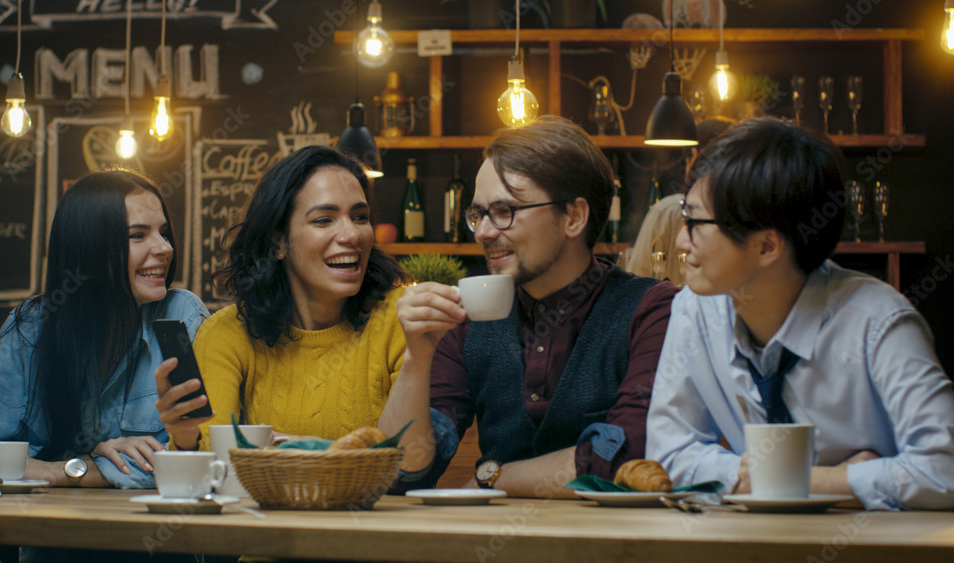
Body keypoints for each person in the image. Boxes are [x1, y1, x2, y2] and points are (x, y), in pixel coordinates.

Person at [646, 118, 954, 510]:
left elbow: (945, 470)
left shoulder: (878, 324)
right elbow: (669, 456)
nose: (679, 240)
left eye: (695, 222)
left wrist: (804, 481)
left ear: (766, 247)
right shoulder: (694, 310)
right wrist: (840, 483)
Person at [387, 116, 679, 497]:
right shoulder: (471, 320)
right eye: (478, 214)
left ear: (573, 217)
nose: (485, 232)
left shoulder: (652, 309)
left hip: (616, 552)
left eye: (505, 210)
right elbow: (403, 473)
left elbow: (626, 458)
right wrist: (416, 358)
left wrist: (492, 478)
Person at [0, 169, 208, 489]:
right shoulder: (31, 326)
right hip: (42, 531)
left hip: (145, 528)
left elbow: (196, 458)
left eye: (164, 232)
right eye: (138, 235)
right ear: (90, 248)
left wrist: (77, 470)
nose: (164, 248)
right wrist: (73, 466)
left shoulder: (181, 315)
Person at [155, 145, 411, 452]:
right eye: (324, 220)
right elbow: (214, 464)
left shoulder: (400, 318)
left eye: (360, 216)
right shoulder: (226, 335)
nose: (353, 235)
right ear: (279, 242)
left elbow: (411, 459)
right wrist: (185, 439)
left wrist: (314, 452)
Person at [627, 117, 735, 282]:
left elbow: (635, 286)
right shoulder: (746, 212)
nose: (683, 242)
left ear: (693, 156)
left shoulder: (668, 210)